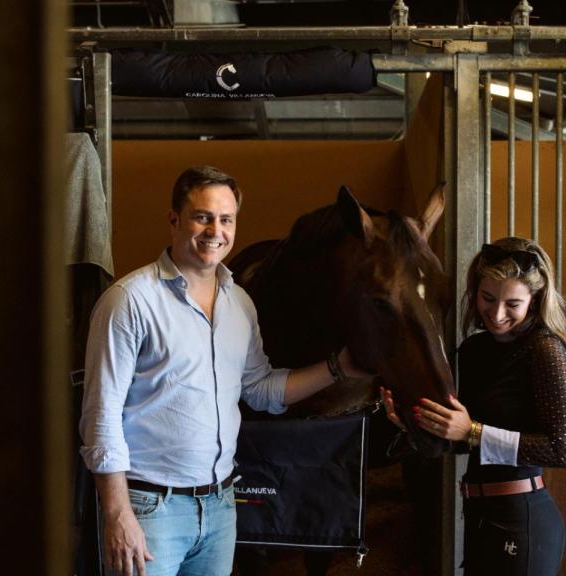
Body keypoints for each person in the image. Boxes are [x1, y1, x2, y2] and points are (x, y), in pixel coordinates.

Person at [79, 165, 363, 576]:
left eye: (226, 219)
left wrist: (340, 367)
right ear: (175, 220)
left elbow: (262, 389)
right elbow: (100, 418)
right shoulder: (129, 301)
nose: (216, 230)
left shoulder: (240, 305)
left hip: (219, 507)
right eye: (203, 216)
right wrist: (118, 513)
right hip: (149, 509)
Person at [383, 236, 566, 576]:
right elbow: (458, 442)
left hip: (523, 516)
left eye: (513, 304)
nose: (497, 313)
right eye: (488, 298)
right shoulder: (473, 351)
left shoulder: (546, 350)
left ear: (535, 301)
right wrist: (412, 423)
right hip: (478, 514)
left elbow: (561, 449)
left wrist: (473, 431)